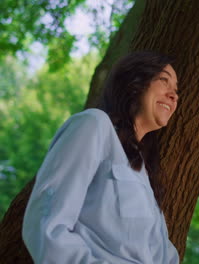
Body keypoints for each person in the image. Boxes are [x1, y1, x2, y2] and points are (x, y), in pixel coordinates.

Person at [23, 51, 180, 263]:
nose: (173, 95)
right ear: (134, 83)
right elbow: (46, 225)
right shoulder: (94, 124)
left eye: (176, 90)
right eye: (164, 80)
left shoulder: (142, 168)